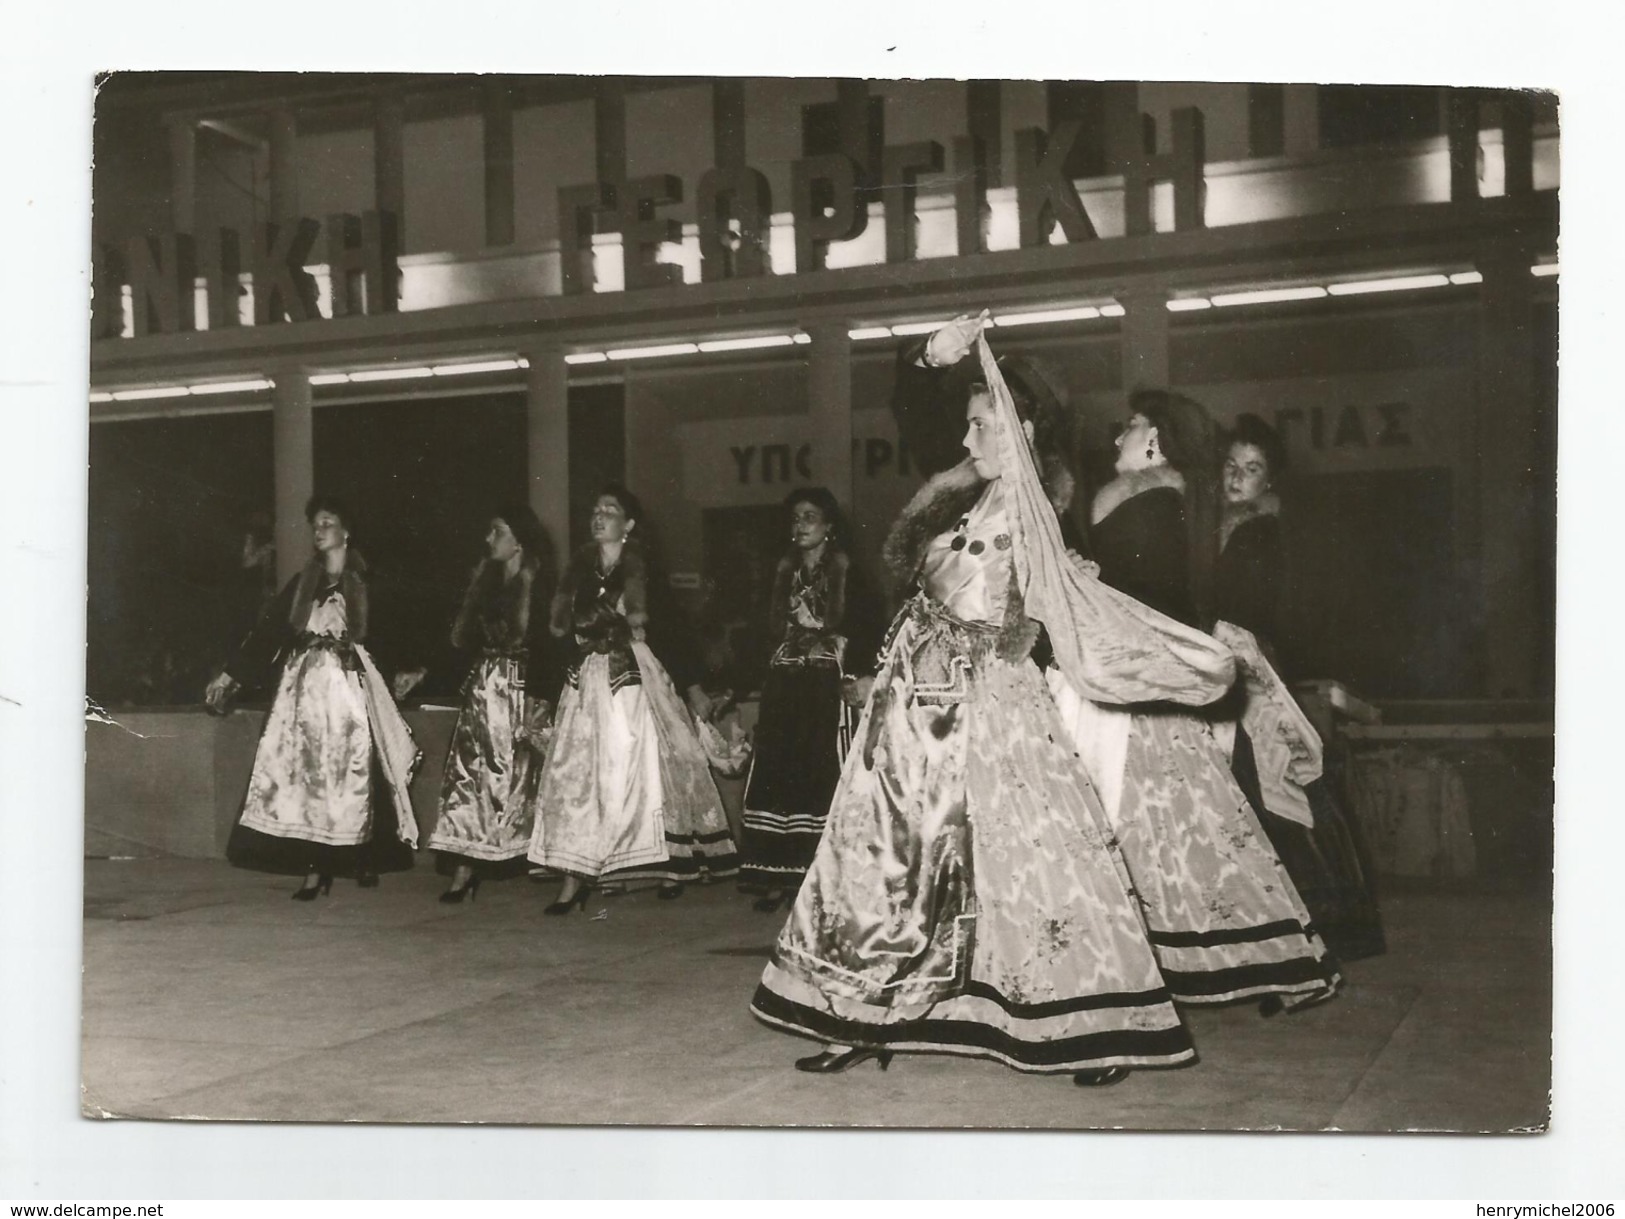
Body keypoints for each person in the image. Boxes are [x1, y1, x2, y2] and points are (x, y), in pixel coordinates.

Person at [752, 332, 1242, 1085]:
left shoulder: (1037, 509)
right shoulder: (961, 493)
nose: (965, 434)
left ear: (1020, 427)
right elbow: (922, 476)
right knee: (880, 855)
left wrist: (1174, 656)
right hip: (910, 711)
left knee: (1040, 863)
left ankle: (1096, 1022)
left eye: (981, 422)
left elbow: (1076, 604)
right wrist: (933, 357)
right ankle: (857, 1009)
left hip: (990, 709)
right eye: (969, 420)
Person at [1060, 389, 1341, 1012]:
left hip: (1145, 685)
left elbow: (1148, 595)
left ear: (1155, 438)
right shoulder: (1168, 502)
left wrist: (1085, 581)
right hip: (1157, 681)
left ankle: (1135, 974)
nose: (1117, 439)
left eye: (1129, 428)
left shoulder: (1148, 500)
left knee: (1177, 828)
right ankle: (1247, 957)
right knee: (1188, 832)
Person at [1216, 415, 1387, 961]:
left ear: (1270, 480)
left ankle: (1294, 929)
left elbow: (1250, 611)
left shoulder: (1257, 531)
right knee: (1270, 787)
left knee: (1269, 785)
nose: (1237, 477)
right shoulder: (1232, 527)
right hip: (1241, 661)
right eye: (1231, 466)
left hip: (1248, 669)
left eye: (1252, 468)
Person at [525, 485, 738, 911]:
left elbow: (674, 632)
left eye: (611, 510)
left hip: (634, 679)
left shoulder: (643, 571)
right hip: (587, 679)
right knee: (578, 773)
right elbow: (561, 638)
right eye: (596, 509)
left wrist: (693, 687)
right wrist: (544, 694)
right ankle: (577, 874)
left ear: (630, 524)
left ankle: (656, 860)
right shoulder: (578, 572)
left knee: (640, 766)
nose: (599, 516)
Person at [205, 495, 420, 899]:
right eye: (315, 525)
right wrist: (231, 674)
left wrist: (408, 667)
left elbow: (395, 630)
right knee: (306, 778)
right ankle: (314, 869)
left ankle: (359, 855)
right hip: (303, 693)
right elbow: (269, 631)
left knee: (353, 773)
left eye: (327, 523)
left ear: (346, 530)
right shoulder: (305, 582)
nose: (319, 531)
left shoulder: (367, 580)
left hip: (349, 691)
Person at [738, 487, 875, 912]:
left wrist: (856, 673)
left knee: (822, 771)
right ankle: (777, 874)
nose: (800, 526)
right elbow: (762, 631)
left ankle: (823, 874)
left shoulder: (850, 572)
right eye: (795, 518)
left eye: (810, 517)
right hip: (785, 683)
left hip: (825, 684)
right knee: (778, 769)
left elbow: (869, 626)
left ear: (829, 526)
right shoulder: (782, 572)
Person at [423, 504, 553, 904]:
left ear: (519, 543)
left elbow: (551, 646)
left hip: (522, 692)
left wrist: (542, 697)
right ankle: (464, 869)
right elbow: (460, 641)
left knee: (521, 779)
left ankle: (536, 855)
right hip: (483, 692)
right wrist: (425, 672)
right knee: (467, 777)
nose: (488, 539)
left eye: (497, 531)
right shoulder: (483, 583)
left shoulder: (542, 586)